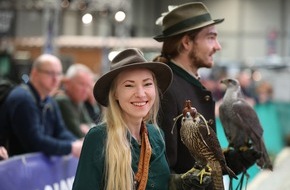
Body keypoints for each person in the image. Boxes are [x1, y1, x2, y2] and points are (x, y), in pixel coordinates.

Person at [153, 2, 261, 188]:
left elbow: (191, 156)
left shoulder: (189, 82)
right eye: (211, 38)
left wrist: (226, 161)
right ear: (186, 42)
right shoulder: (167, 89)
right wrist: (178, 184)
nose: (218, 46)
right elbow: (162, 168)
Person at [72, 48, 212, 190]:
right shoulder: (99, 137)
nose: (140, 93)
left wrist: (180, 183)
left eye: (147, 84)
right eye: (129, 85)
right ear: (115, 94)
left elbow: (158, 182)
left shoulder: (156, 135)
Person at [0, 54, 83, 157]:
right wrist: (70, 148)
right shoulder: (23, 99)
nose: (55, 79)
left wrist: (77, 143)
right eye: (50, 73)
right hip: (15, 168)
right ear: (35, 73)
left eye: (58, 74)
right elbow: (34, 142)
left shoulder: (49, 101)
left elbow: (60, 131)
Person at [54, 63, 95, 138]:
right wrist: (83, 127)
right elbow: (79, 134)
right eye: (81, 84)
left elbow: (91, 126)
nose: (85, 90)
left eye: (88, 86)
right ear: (68, 83)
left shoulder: (79, 101)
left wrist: (86, 127)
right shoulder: (62, 100)